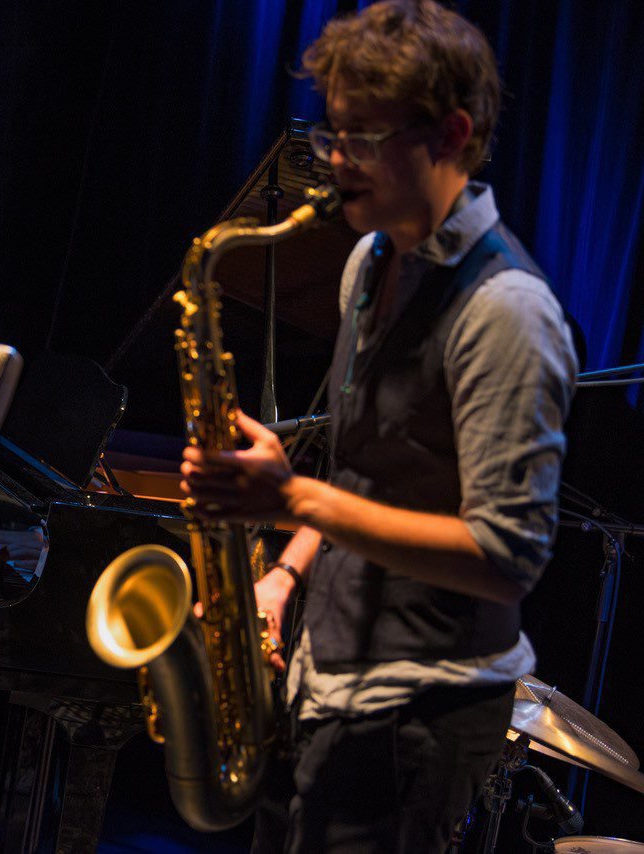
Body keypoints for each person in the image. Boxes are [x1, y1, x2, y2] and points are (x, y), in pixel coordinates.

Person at [179, 2, 578, 851]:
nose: (333, 161)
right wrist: (286, 573)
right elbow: (367, 469)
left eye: (361, 139)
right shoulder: (369, 260)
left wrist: (297, 501)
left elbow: (510, 559)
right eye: (332, 134)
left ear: (450, 134)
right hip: (332, 684)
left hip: (421, 713)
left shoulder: (508, 311)